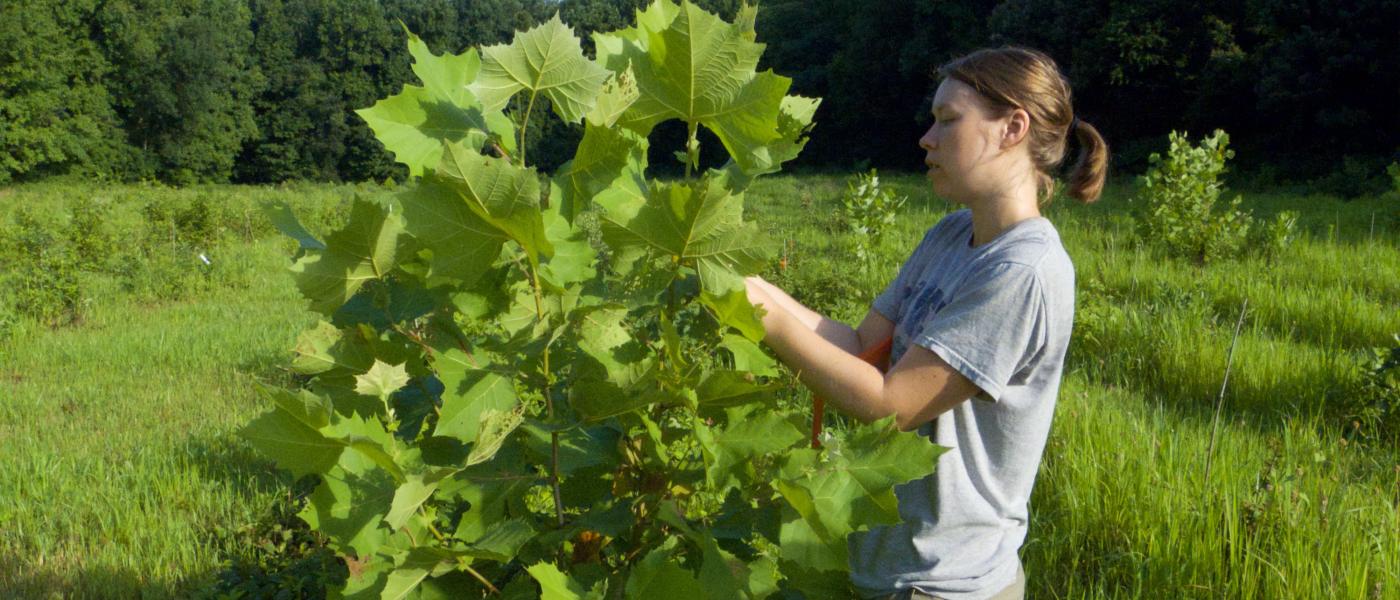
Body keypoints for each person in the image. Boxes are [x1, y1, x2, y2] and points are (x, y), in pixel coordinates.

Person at [743, 47, 1109, 600]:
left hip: (946, 583)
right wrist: (746, 284)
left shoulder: (1024, 269)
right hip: (888, 564)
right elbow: (862, 345)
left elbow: (891, 404)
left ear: (1013, 127)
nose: (926, 139)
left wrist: (760, 313)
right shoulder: (949, 234)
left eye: (948, 120)